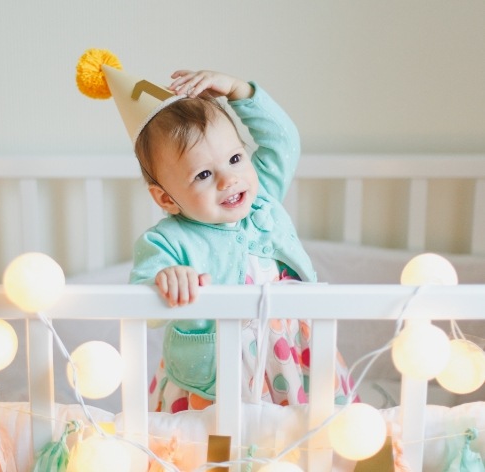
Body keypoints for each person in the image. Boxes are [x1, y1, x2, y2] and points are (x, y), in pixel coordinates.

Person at [75, 50, 354, 412]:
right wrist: (165, 280)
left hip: (297, 360)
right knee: (210, 457)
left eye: (236, 158)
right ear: (166, 198)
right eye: (203, 174)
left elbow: (285, 140)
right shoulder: (166, 241)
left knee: (306, 443)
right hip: (212, 384)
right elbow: (142, 307)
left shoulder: (262, 197)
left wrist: (239, 91)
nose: (229, 178)